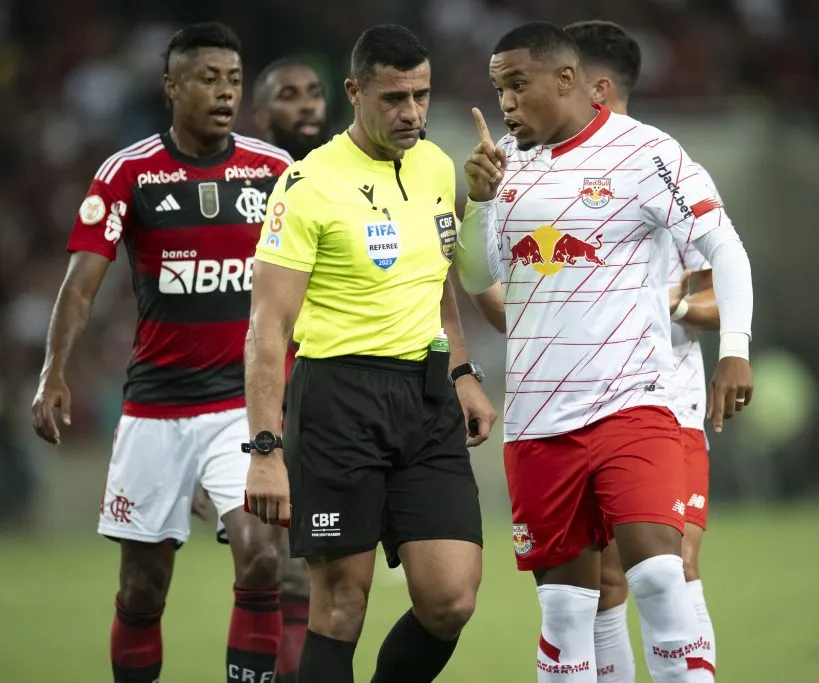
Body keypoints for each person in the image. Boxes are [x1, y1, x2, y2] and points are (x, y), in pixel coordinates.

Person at [456, 21, 753, 683]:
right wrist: (476, 205)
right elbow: (479, 280)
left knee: (659, 577)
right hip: (536, 422)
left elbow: (724, 249)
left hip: (634, 405)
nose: (504, 101)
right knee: (568, 616)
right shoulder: (501, 168)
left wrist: (735, 348)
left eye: (516, 84)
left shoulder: (646, 153)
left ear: (568, 80)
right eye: (497, 87)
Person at [29, 22, 294, 683]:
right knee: (144, 585)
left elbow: (310, 288)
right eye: (208, 79)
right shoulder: (129, 173)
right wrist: (53, 371)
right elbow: (81, 283)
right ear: (172, 86)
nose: (225, 92)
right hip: (156, 408)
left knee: (264, 554)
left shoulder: (275, 171)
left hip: (245, 406)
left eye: (234, 80)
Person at [242, 24, 497, 683]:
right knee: (341, 603)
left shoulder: (439, 165)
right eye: (393, 98)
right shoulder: (308, 184)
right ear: (355, 91)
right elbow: (269, 326)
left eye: (421, 95)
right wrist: (266, 451)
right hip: (338, 400)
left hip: (426, 394)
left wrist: (463, 369)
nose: (411, 112)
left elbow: (439, 282)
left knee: (450, 599)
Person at [211, 55, 332, 683]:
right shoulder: (239, 193)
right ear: (260, 114)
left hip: (324, 395)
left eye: (314, 93)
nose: (307, 106)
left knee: (316, 570)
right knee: (275, 564)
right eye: (289, 96)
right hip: (255, 401)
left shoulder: (338, 183)